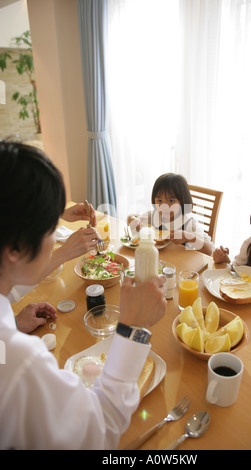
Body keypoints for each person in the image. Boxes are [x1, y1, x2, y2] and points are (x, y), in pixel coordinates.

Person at [0, 141, 167, 450]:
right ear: (13, 248)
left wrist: (12, 320)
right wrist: (133, 330)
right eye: (51, 227)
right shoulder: (19, 361)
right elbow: (99, 431)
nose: (55, 239)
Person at [127, 173, 214, 255]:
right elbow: (130, 218)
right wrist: (135, 221)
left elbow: (210, 250)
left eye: (171, 201)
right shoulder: (153, 216)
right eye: (159, 201)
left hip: (180, 265)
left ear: (182, 201)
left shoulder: (187, 223)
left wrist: (189, 237)